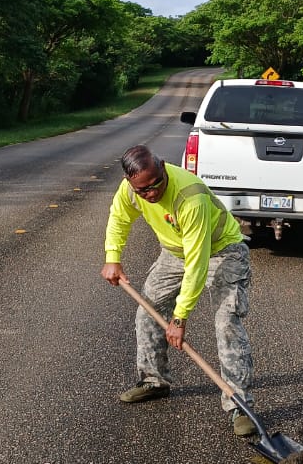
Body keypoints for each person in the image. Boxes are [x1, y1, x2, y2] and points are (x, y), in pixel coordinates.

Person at [101, 144, 257, 437]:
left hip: (222, 251)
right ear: (130, 183)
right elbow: (119, 218)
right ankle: (154, 380)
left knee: (227, 324)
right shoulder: (130, 190)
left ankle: (240, 405)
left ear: (163, 167)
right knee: (147, 310)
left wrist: (179, 318)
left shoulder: (190, 196)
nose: (150, 193)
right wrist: (113, 257)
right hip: (174, 253)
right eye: (142, 190)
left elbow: (198, 262)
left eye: (156, 184)